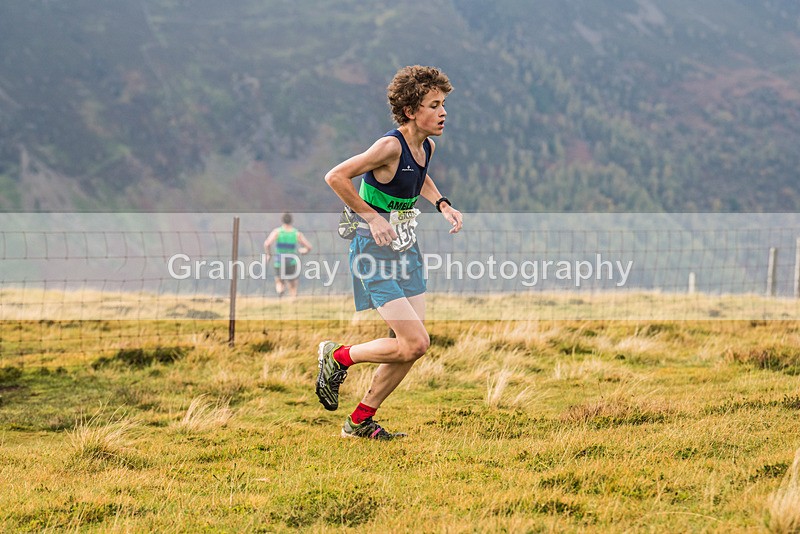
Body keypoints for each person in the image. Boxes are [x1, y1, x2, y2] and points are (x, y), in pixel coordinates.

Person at [316, 65, 463, 440]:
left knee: (410, 348)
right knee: (416, 342)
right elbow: (335, 176)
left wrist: (442, 203)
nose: (443, 112)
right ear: (412, 111)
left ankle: (360, 421)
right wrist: (371, 217)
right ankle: (338, 356)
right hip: (373, 254)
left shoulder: (425, 144)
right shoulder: (388, 146)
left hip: (406, 251)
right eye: (434, 105)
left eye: (444, 103)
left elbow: (419, 175)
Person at [263, 213, 312, 298]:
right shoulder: (296, 233)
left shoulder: (277, 232)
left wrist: (269, 254)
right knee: (292, 284)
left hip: (279, 261)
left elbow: (267, 244)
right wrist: (303, 251)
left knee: (279, 281)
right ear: (291, 221)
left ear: (282, 220)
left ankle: (280, 292)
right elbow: (309, 246)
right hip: (291, 261)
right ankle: (293, 300)